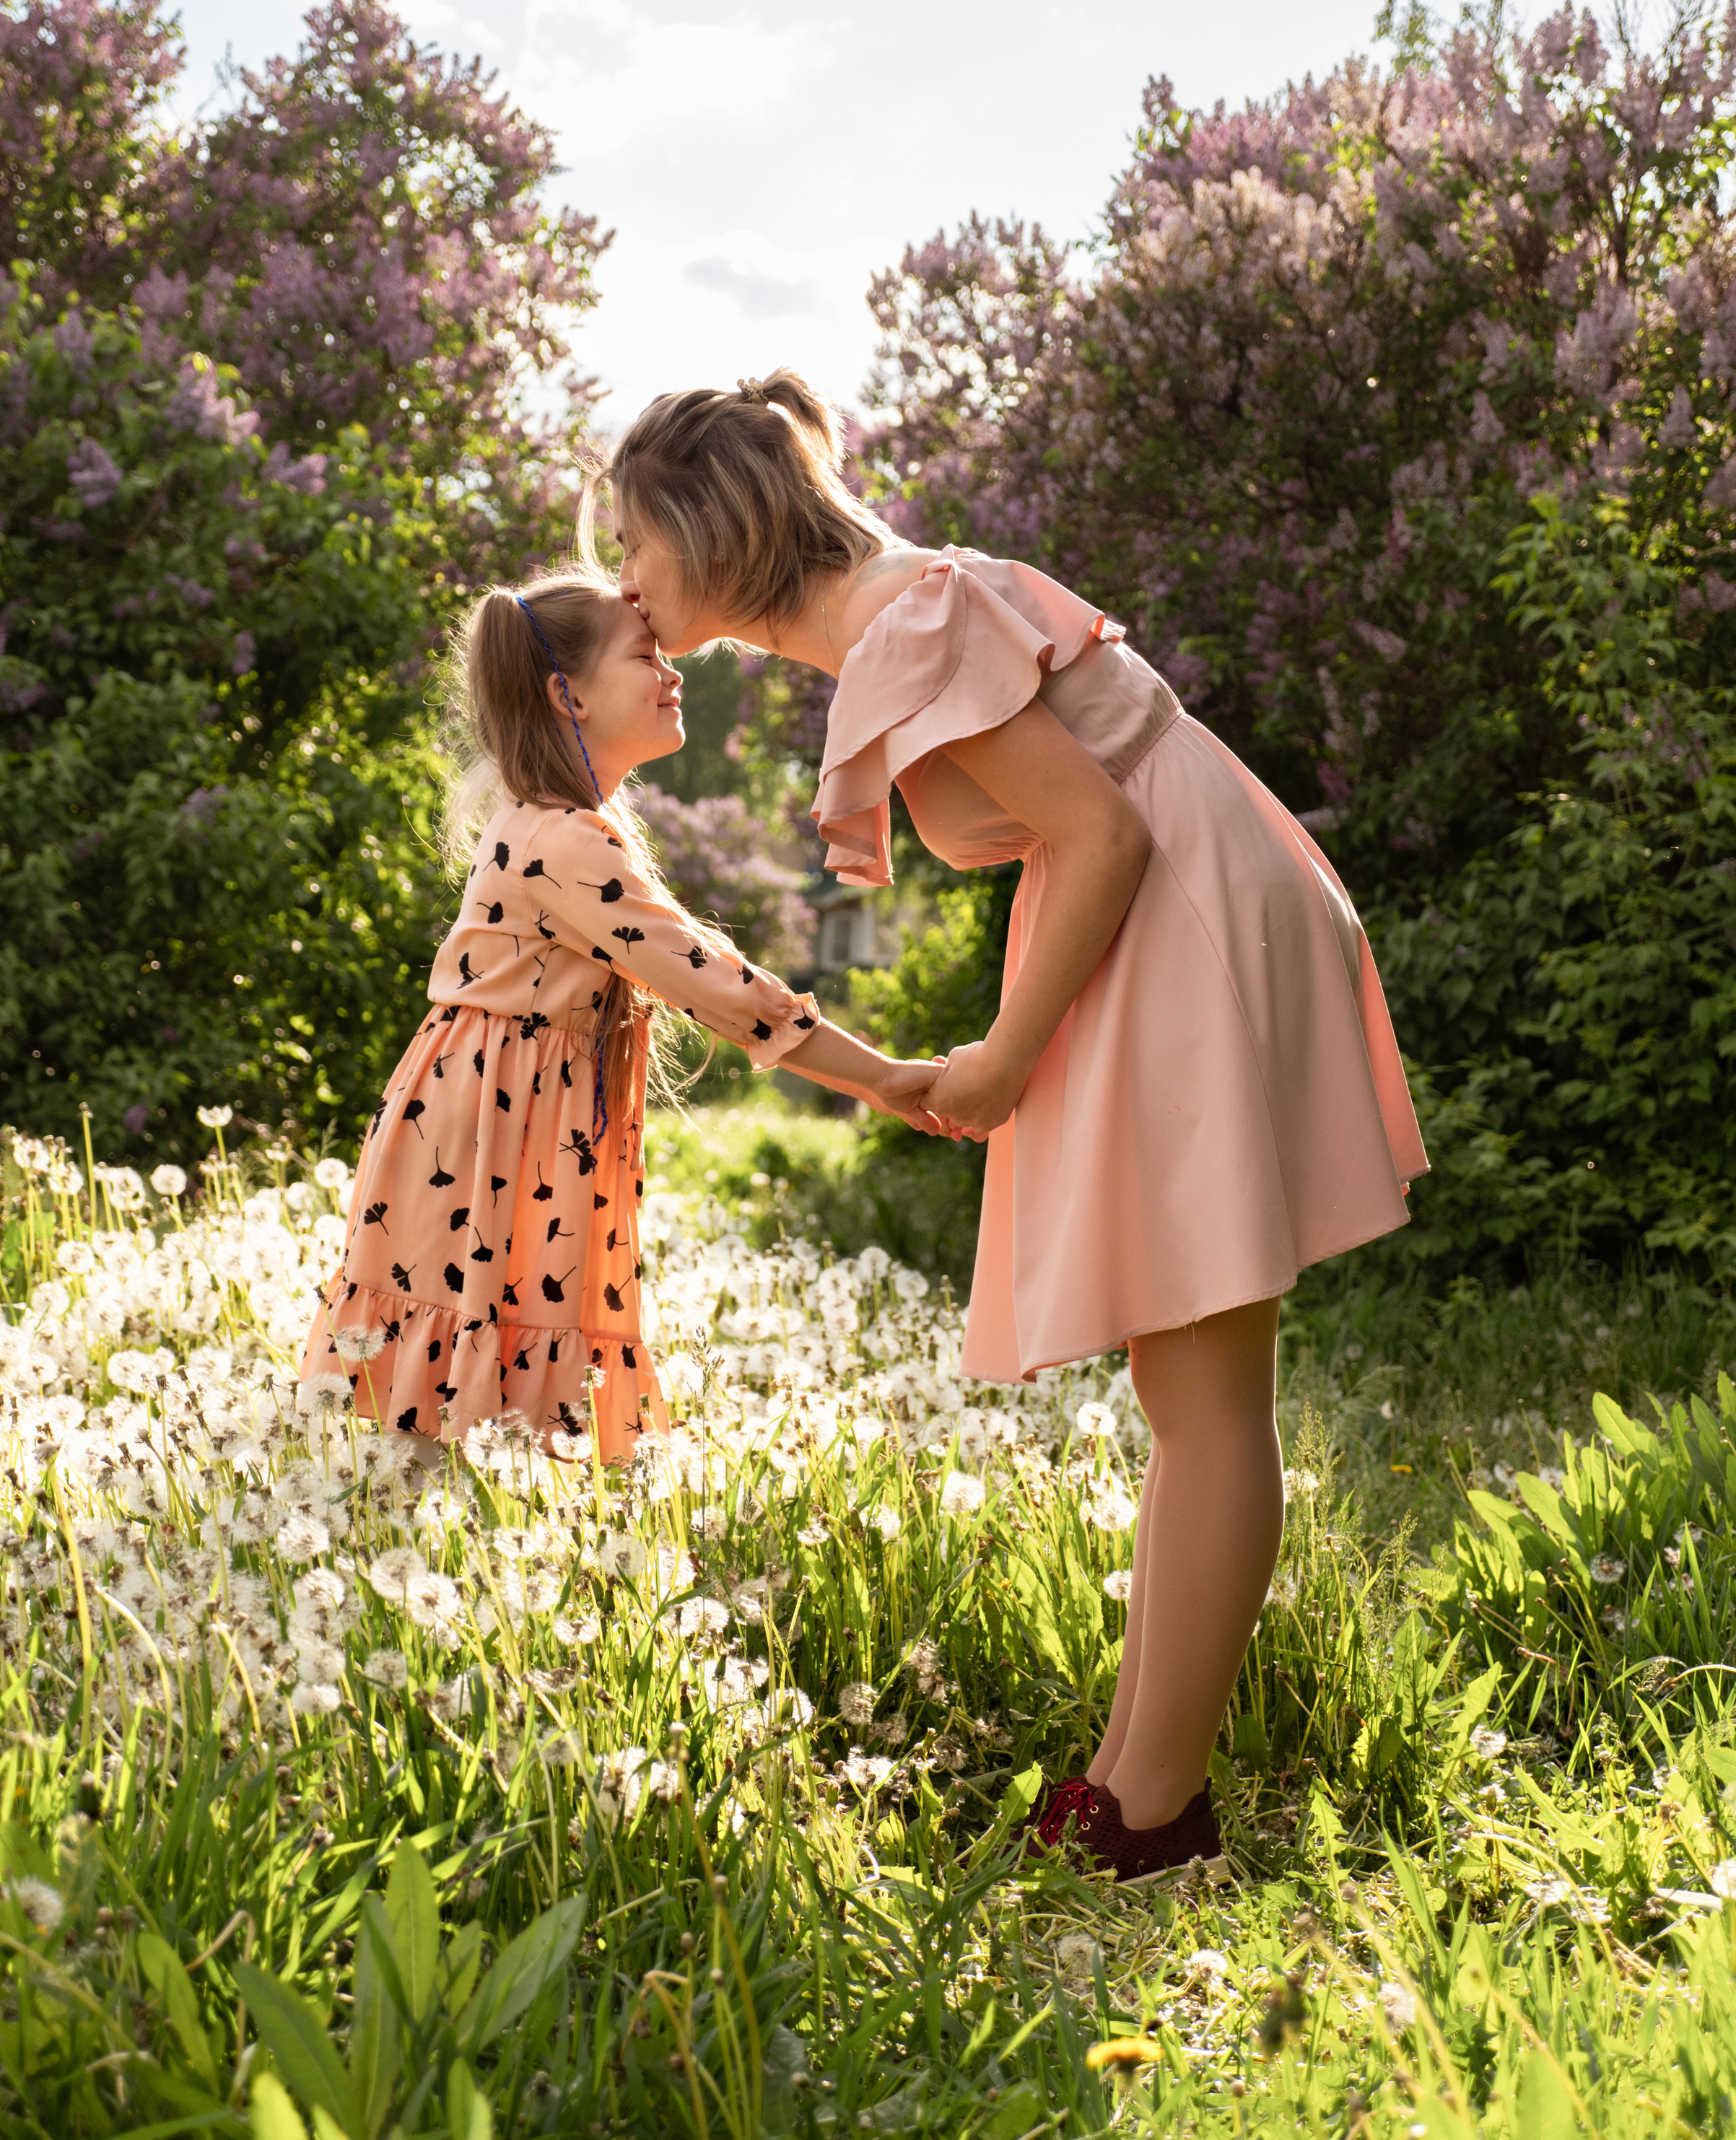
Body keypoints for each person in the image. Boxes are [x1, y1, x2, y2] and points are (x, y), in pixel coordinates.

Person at [587, 374, 1429, 1882]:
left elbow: (1102, 830)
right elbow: (1091, 828)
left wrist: (996, 1060)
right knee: (1192, 1387)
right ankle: (1127, 1781)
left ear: (709, 528)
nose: (621, 581)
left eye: (631, 541)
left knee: (1207, 1387)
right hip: (1176, 892)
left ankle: (1153, 1813)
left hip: (1172, 899)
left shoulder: (906, 618)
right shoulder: (900, 613)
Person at [297, 570, 943, 1462]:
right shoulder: (565, 838)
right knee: (461, 1413)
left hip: (491, 1118)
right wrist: (883, 1078)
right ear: (568, 695)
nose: (674, 674)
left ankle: (445, 1557)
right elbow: (715, 983)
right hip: (491, 1131)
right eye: (646, 657)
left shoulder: (549, 823)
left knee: (463, 1411)